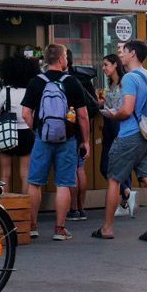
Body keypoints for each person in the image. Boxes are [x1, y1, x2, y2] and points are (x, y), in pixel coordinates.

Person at [93, 40, 147, 243]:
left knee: (114, 179)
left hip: (129, 134)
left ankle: (107, 228)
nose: (120, 54)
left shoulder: (131, 78)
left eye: (123, 51)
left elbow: (127, 110)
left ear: (133, 54)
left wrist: (114, 115)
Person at [22, 44, 90, 241]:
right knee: (63, 184)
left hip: (42, 139)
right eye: (66, 58)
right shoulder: (72, 82)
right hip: (67, 140)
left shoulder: (36, 82)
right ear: (61, 59)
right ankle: (60, 229)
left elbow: (26, 113)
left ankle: (32, 227)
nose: (67, 61)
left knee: (35, 183)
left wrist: (38, 130)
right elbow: (83, 115)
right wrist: (85, 141)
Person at [0, 55, 39, 194]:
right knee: (25, 174)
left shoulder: (5, 91)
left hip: (7, 132)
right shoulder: (31, 90)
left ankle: (5, 209)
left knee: (5, 173)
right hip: (27, 133)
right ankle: (24, 208)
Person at [98, 53, 136, 217]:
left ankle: (126, 194)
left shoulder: (124, 82)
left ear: (115, 65)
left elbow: (124, 106)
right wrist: (102, 104)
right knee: (116, 164)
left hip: (119, 125)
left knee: (108, 165)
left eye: (106, 64)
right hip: (110, 124)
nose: (104, 68)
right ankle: (127, 195)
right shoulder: (111, 84)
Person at [65, 49, 88, 222]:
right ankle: (82, 208)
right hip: (81, 128)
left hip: (66, 129)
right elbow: (86, 111)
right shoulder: (81, 77)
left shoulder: (61, 79)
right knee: (80, 168)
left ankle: (73, 208)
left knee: (72, 169)